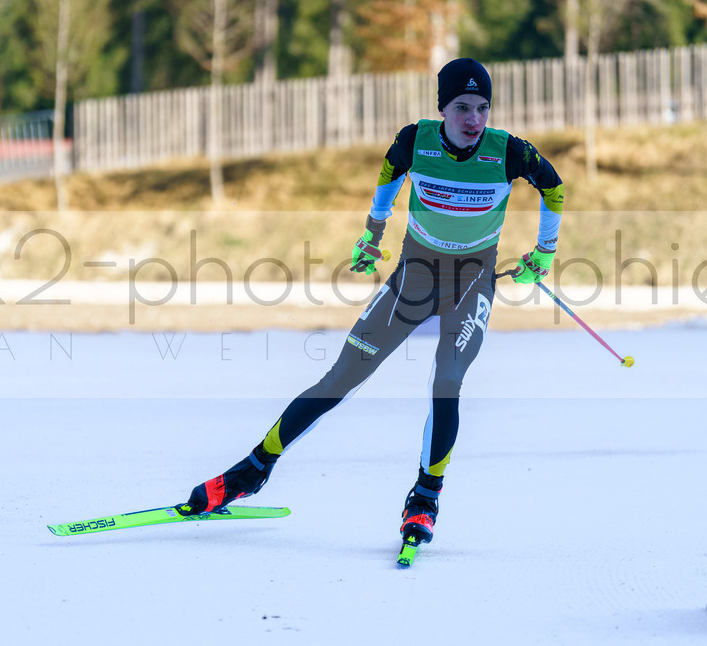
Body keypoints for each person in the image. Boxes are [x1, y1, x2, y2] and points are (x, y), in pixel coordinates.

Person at [181, 58, 565, 549]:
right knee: (340, 377)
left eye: (483, 108)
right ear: (443, 107)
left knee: (447, 380)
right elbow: (389, 175)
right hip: (414, 279)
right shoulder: (414, 140)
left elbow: (553, 188)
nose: (475, 119)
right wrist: (373, 232)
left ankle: (425, 499)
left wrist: (544, 252)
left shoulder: (509, 152)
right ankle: (252, 469)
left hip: (471, 285)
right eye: (463, 107)